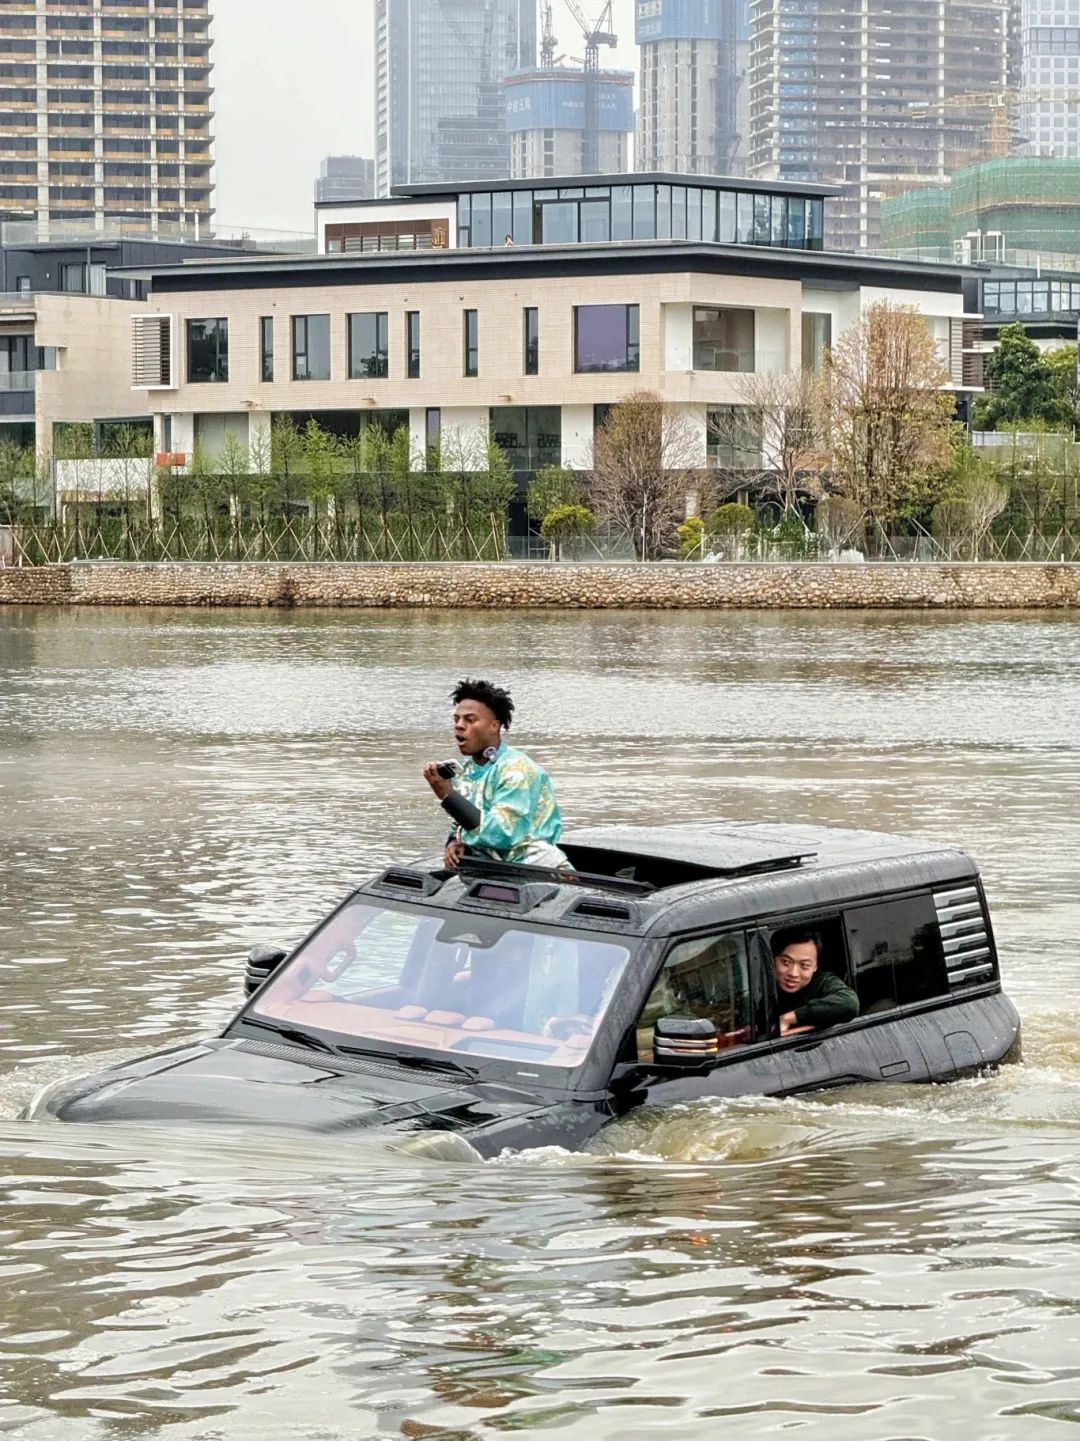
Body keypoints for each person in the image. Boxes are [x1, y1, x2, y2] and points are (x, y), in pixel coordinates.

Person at [423, 677, 569, 870]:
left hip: (537, 870)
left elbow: (502, 833)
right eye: (456, 719)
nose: (459, 725)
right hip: (492, 867)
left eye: (470, 720)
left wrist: (448, 796)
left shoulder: (516, 769)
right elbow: (462, 824)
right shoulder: (468, 769)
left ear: (494, 726)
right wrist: (454, 842)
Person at [771, 929, 858, 1036]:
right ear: (773, 960)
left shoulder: (824, 982)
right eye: (786, 962)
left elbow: (849, 1003)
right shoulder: (764, 984)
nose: (793, 973)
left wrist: (791, 1018)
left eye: (804, 965)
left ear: (815, 966)